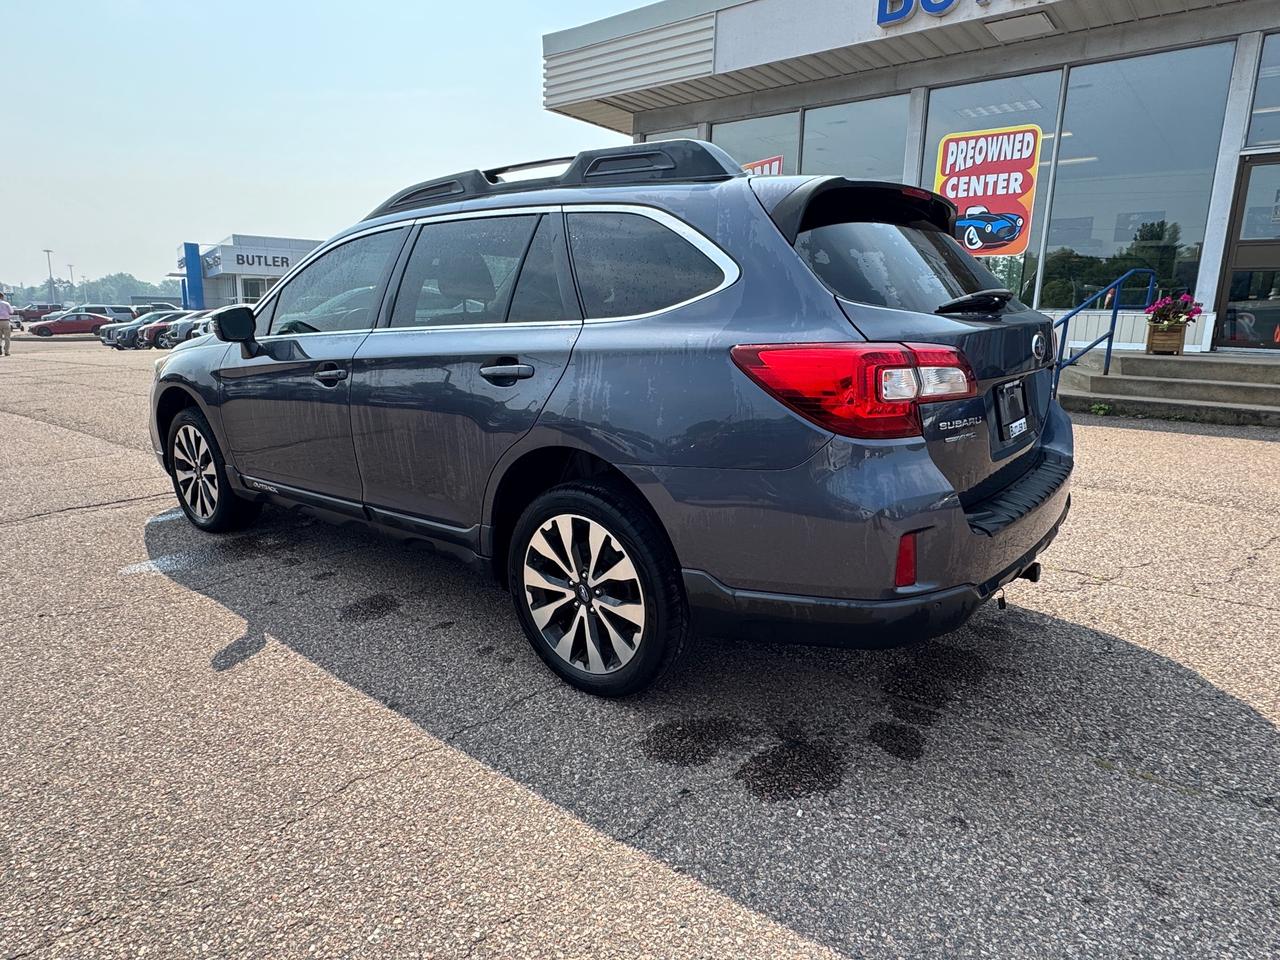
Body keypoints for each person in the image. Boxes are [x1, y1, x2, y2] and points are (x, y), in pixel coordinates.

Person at [0, 291, 12, 357]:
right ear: (2, 296)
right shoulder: (6, 304)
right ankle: (6, 351)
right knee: (7, 337)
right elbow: (11, 311)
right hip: (5, 321)